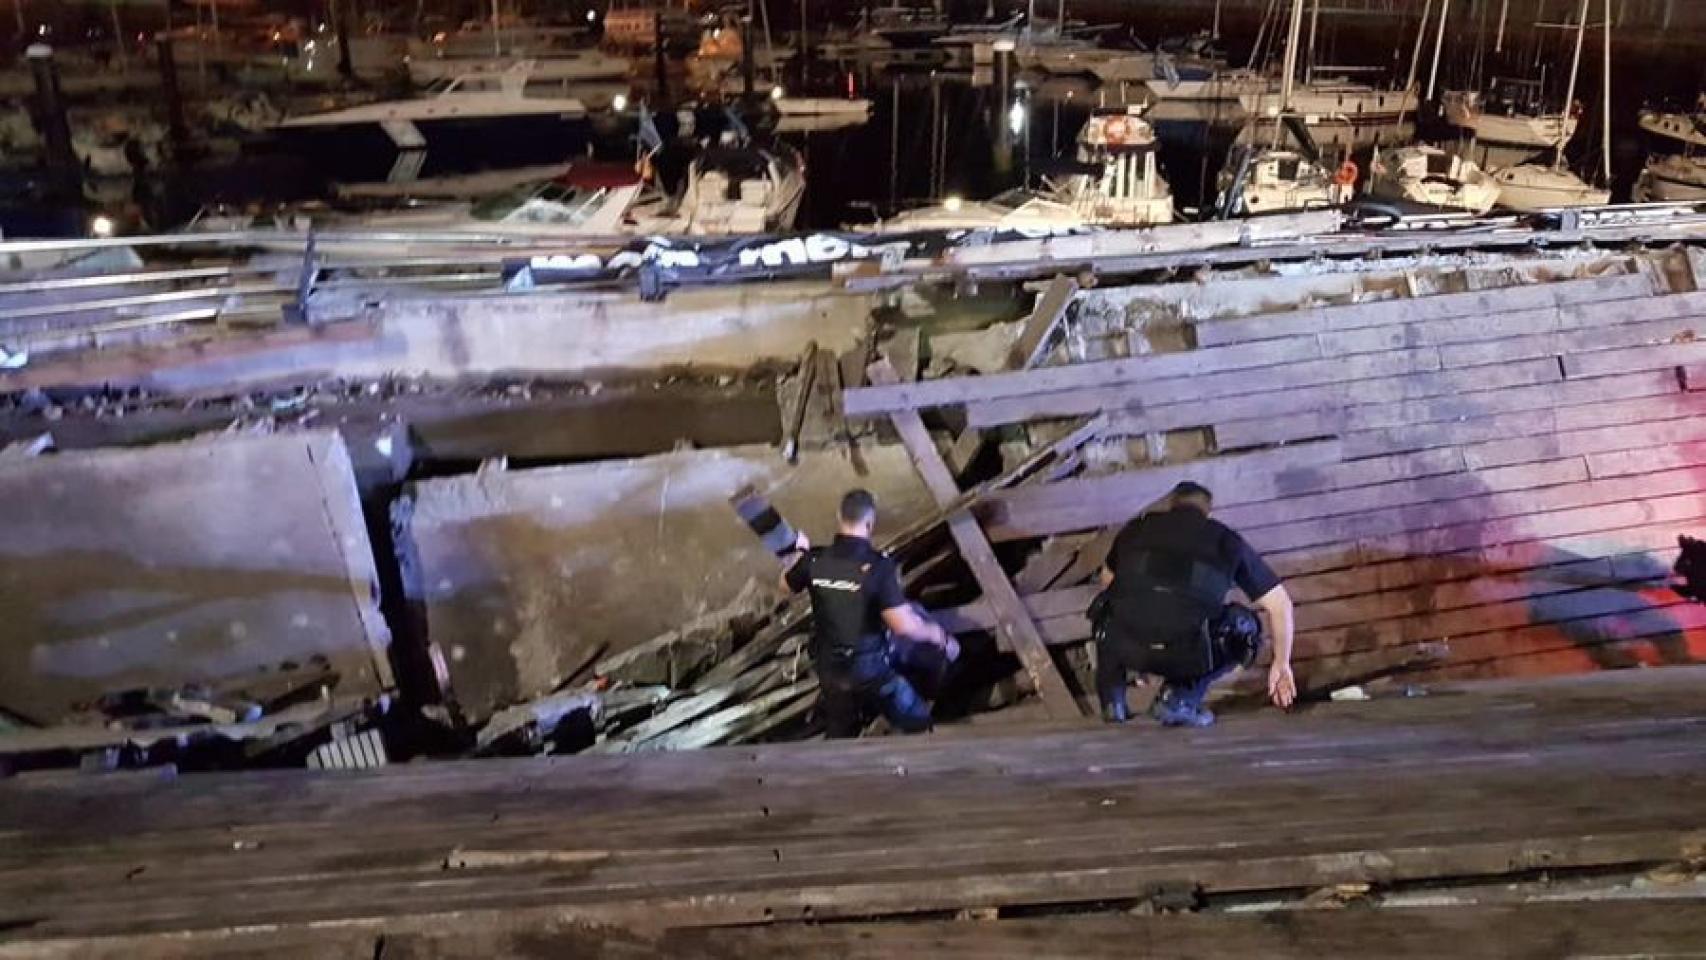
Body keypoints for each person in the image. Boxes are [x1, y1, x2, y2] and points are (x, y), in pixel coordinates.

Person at [1093, 481, 1296, 728]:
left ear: (1171, 505)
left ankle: (1112, 701)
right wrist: (1281, 663)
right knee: (1246, 627)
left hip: (1127, 645)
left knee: (1105, 607)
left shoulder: (1136, 529)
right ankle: (1178, 699)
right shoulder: (1225, 540)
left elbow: (1107, 584)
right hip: (1186, 650)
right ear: (1208, 512)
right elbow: (1280, 604)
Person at [780, 488, 960, 738]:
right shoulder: (878, 566)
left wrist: (799, 554)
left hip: (830, 673)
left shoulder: (814, 561)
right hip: (871, 673)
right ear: (870, 523)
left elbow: (785, 585)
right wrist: (940, 636)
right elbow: (904, 627)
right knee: (920, 727)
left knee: (840, 734)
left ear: (839, 516)